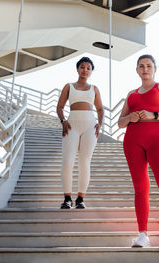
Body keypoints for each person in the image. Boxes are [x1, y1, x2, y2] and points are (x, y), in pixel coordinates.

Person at [118, 54, 159, 248]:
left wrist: (154, 114)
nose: (145, 69)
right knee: (140, 188)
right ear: (137, 70)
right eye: (141, 66)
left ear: (155, 68)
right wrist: (130, 117)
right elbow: (120, 123)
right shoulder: (131, 94)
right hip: (132, 141)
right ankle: (143, 235)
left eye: (148, 66)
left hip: (157, 140)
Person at [57, 57, 104, 209]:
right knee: (68, 162)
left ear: (91, 71)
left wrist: (100, 124)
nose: (85, 70)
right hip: (72, 125)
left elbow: (100, 109)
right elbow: (60, 107)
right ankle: (67, 198)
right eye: (82, 67)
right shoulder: (69, 86)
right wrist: (63, 121)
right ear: (77, 69)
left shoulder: (94, 88)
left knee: (85, 162)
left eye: (88, 68)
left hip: (90, 126)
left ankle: (80, 199)